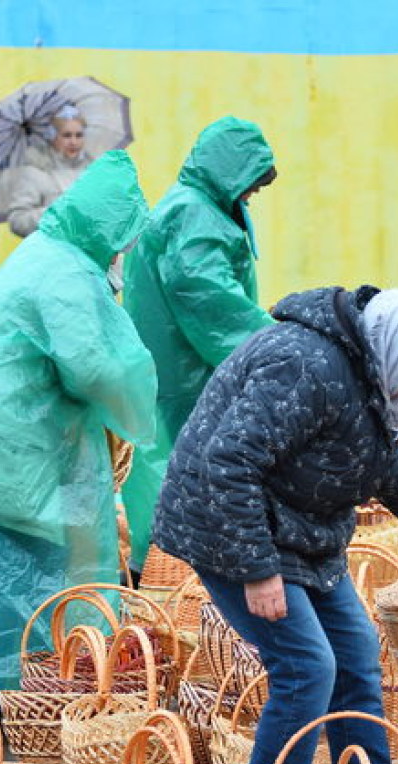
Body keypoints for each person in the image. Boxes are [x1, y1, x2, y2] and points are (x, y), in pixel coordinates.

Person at [153, 285, 398, 764]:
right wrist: (257, 571)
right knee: (307, 668)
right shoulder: (305, 364)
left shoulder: (363, 368)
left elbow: (375, 456)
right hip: (229, 529)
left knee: (353, 659)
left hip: (303, 533)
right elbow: (230, 460)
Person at [0, 151, 156, 712]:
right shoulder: (66, 274)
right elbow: (98, 367)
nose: (124, 252)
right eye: (123, 237)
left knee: (8, 563)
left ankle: (5, 691)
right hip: (5, 445)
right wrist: (140, 410)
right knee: (20, 564)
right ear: (106, 228)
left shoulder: (48, 257)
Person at [121, 116, 278, 571]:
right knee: (174, 472)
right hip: (182, 374)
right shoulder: (193, 215)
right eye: (252, 183)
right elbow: (210, 300)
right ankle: (163, 577)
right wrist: (277, 343)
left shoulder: (198, 206)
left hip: (180, 371)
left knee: (172, 466)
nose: (253, 194)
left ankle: (163, 571)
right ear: (231, 171)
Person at [7, 104, 93, 238]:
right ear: (53, 137)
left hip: (87, 252)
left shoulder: (92, 171)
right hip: (51, 253)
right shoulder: (35, 171)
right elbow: (17, 221)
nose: (73, 142)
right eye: (66, 135)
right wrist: (54, 212)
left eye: (79, 135)